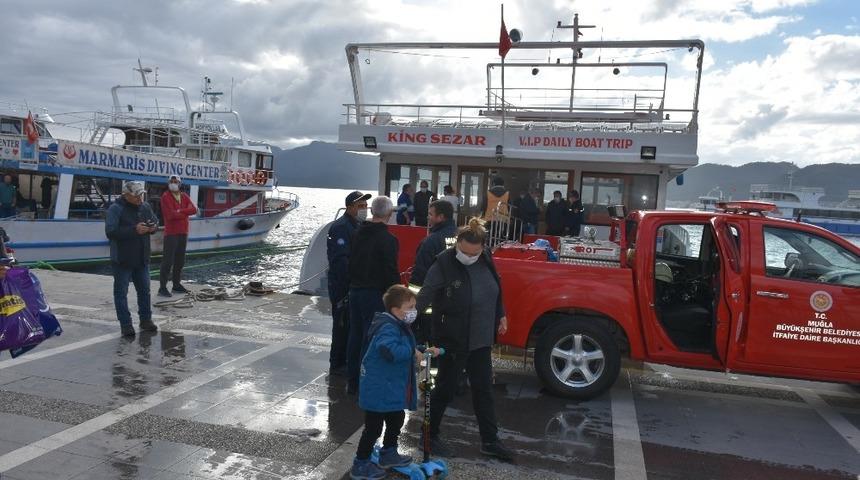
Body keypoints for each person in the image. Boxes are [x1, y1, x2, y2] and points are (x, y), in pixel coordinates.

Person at [416, 219, 515, 461]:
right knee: (445, 390)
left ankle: (490, 441)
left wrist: (500, 313)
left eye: (474, 253)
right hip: (452, 339)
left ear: (482, 247)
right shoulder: (443, 264)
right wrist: (403, 319)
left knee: (483, 391)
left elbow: (495, 287)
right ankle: (428, 436)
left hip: (480, 339)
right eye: (464, 252)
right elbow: (424, 295)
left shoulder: (486, 257)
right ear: (457, 244)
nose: (469, 257)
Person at [351, 285, 440, 479]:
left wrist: (421, 349)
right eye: (410, 307)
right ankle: (361, 463)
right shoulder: (387, 327)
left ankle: (389, 452)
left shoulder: (398, 325)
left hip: (390, 387)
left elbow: (403, 346)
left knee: (396, 418)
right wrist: (411, 352)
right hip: (378, 387)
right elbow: (388, 350)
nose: (414, 312)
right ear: (395, 310)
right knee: (373, 428)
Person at [347, 196, 400, 394]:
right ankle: (365, 381)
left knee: (355, 335)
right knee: (370, 339)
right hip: (375, 294)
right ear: (389, 213)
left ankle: (352, 381)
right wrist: (396, 296)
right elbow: (390, 271)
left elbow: (350, 262)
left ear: (371, 211)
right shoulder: (389, 240)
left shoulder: (357, 233)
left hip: (355, 290)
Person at [105, 181, 159, 337]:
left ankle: (146, 320)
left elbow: (155, 221)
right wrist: (134, 230)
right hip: (122, 259)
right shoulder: (116, 209)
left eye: (141, 195)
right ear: (126, 195)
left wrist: (152, 227)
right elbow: (111, 232)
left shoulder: (145, 207)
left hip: (141, 257)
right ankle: (126, 325)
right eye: (136, 196)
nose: (140, 199)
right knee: (121, 293)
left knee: (145, 291)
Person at [327, 190, 371, 376]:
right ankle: (337, 363)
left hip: (354, 284)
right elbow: (340, 260)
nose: (364, 209)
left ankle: (345, 359)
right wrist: (349, 284)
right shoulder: (341, 227)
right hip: (342, 286)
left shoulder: (359, 225)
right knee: (342, 324)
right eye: (360, 206)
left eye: (365, 206)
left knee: (351, 325)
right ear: (350, 207)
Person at [409, 199, 457, 343]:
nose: (428, 217)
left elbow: (419, 276)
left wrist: (413, 305)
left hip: (430, 305)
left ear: (441, 217)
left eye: (431, 214)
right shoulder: (459, 237)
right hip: (453, 301)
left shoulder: (431, 241)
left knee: (428, 344)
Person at [158, 175, 198, 297]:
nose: (173, 183)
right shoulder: (165, 197)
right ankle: (162, 287)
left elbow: (194, 209)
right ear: (168, 183)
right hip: (171, 233)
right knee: (167, 261)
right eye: (171, 181)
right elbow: (170, 215)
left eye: (176, 182)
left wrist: (180, 211)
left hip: (183, 232)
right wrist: (185, 212)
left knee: (180, 260)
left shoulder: (184, 196)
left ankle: (176, 285)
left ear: (180, 184)